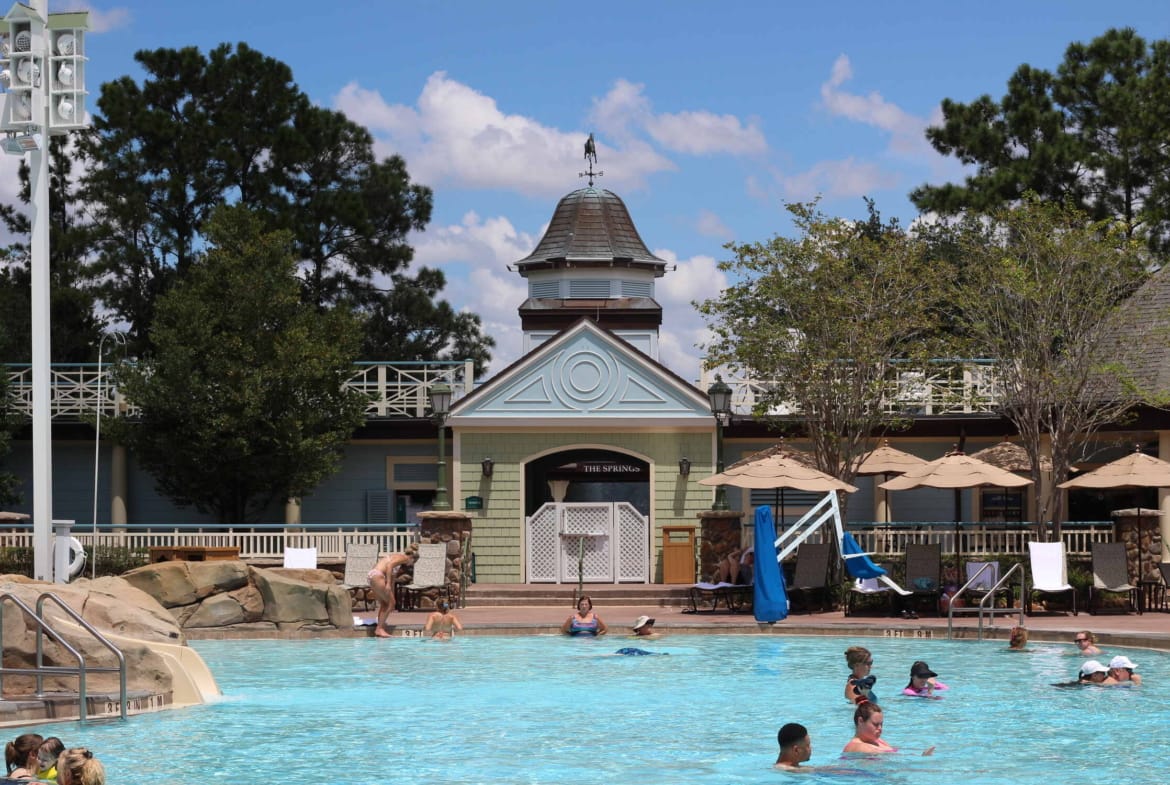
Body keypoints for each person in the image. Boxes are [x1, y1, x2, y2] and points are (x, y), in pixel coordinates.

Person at [843, 701, 934, 756]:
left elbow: (894, 753)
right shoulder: (857, 746)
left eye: (881, 724)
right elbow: (890, 758)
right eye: (875, 724)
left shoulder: (878, 741)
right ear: (860, 721)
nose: (880, 728)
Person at [369, 552, 411, 638]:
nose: (409, 565)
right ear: (412, 559)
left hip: (372, 576)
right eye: (412, 564)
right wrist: (387, 583)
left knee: (385, 604)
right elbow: (389, 566)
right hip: (378, 576)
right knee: (391, 604)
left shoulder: (396, 559)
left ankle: (380, 626)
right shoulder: (404, 558)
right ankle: (379, 629)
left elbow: (392, 580)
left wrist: (392, 594)